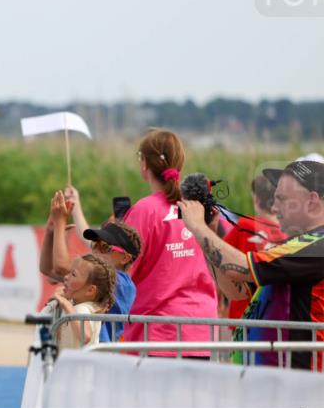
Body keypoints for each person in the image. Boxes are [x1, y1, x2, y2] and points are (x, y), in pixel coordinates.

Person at [181, 159, 324, 371]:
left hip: (298, 377)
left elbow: (237, 267)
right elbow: (235, 290)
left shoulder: (315, 248)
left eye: (282, 200)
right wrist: (209, 233)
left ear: (312, 201)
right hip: (273, 374)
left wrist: (198, 226)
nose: (274, 208)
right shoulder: (297, 245)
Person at [120, 128, 217, 353]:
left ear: (144, 164)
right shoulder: (199, 206)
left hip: (156, 335)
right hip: (201, 333)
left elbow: (123, 270)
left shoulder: (145, 210)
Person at [40, 191, 140, 342]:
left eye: (105, 247)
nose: (97, 250)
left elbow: (60, 267)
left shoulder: (121, 283)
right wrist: (50, 232)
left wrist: (60, 223)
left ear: (125, 258)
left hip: (100, 353)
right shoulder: (100, 275)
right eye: (95, 243)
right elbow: (48, 269)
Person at [221, 175, 287, 321]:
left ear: (256, 199)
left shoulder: (245, 226)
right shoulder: (291, 233)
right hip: (277, 317)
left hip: (245, 317)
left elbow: (219, 258)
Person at [40, 253, 117, 350]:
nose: (66, 277)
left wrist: (65, 303)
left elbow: (85, 336)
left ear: (90, 290)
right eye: (69, 272)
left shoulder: (81, 309)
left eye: (73, 274)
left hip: (75, 365)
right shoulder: (83, 306)